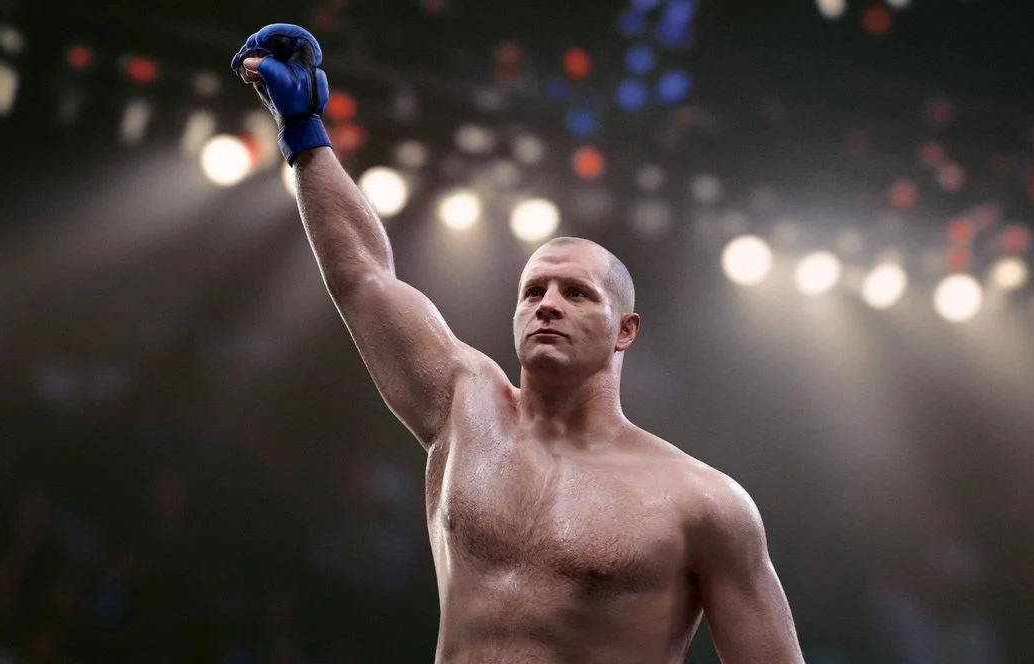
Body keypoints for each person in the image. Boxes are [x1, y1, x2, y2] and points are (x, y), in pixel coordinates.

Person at [231, 24, 805, 663]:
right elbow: (364, 277)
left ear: (626, 330)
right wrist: (305, 135)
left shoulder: (703, 503)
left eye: (576, 293)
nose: (548, 304)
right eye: (533, 292)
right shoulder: (465, 406)